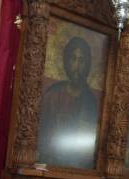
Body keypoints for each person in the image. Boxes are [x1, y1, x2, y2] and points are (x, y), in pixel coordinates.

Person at [37, 36, 99, 169]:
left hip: (75, 167)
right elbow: (40, 134)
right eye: (73, 59)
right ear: (66, 61)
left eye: (81, 60)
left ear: (87, 65)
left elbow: (86, 147)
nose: (77, 66)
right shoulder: (52, 94)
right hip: (48, 163)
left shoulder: (90, 103)